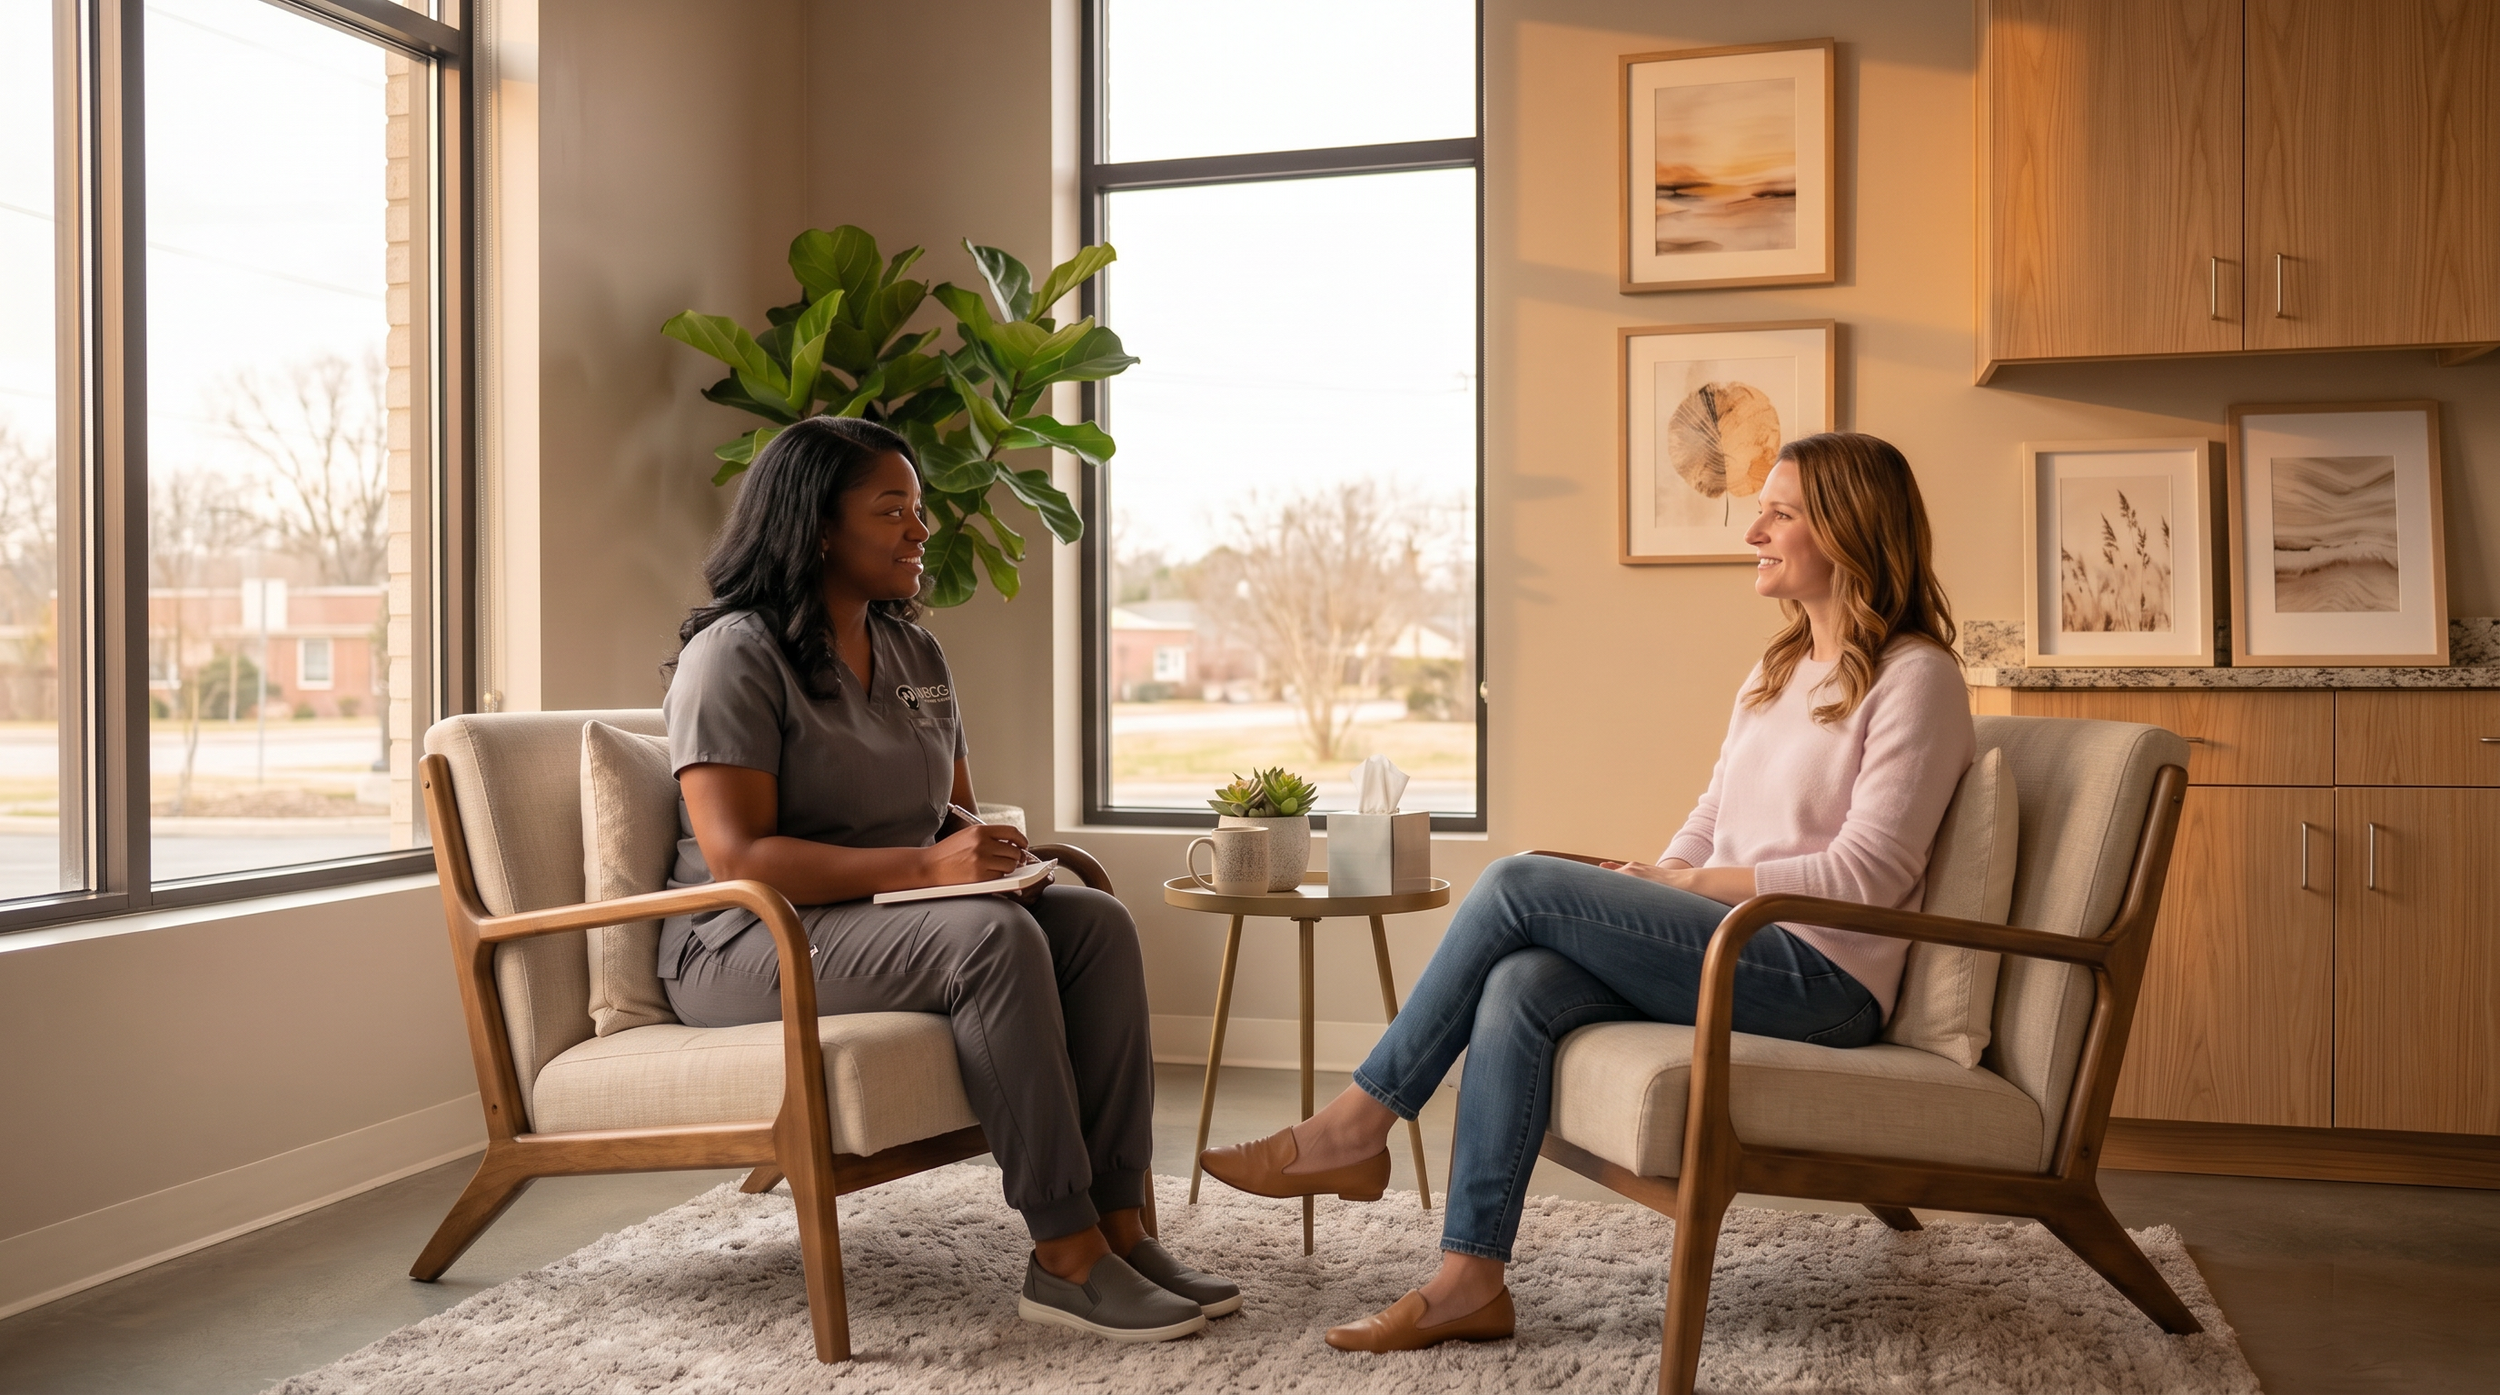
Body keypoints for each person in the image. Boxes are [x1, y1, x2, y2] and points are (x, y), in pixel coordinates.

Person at [1200, 431, 1975, 1352]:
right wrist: (1653, 885)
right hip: (1735, 940)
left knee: (1519, 877)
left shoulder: (1916, 678)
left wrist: (1694, 886)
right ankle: (1468, 1280)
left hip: (1822, 978)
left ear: (1849, 530)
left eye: (1780, 512)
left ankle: (1354, 1125)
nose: (1753, 530)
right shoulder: (1778, 670)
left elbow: (1870, 875)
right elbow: (1711, 816)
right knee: (1523, 979)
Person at [659, 415, 1237, 1344]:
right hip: (745, 938)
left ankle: (1123, 1226)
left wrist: (1002, 861)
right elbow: (739, 857)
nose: (921, 531)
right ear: (817, 525)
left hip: (883, 913)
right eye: (894, 510)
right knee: (987, 936)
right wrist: (935, 869)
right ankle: (1065, 1255)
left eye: (918, 509)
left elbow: (951, 815)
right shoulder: (733, 655)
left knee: (1092, 923)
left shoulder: (916, 655)